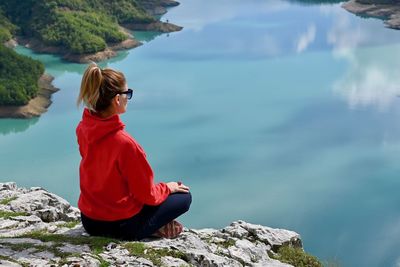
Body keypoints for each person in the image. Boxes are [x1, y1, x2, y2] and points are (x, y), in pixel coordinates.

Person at [76, 63, 191, 240]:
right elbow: (147, 195)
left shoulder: (84, 128)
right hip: (120, 226)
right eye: (127, 93)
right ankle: (150, 228)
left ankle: (151, 226)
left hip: (90, 221)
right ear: (116, 99)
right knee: (184, 198)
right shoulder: (125, 144)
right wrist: (168, 187)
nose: (128, 98)